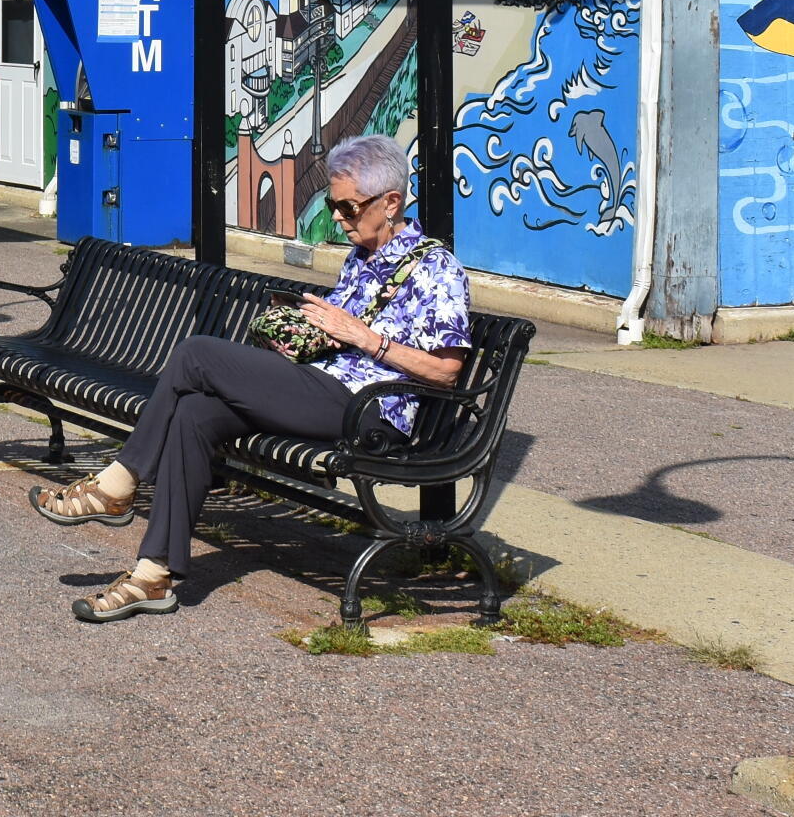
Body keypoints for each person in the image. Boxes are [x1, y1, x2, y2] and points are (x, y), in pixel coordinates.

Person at [31, 133, 470, 623]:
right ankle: (152, 575)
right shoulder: (361, 258)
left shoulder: (437, 269)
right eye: (334, 206)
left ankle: (117, 485)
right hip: (323, 387)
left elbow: (447, 372)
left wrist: (368, 339)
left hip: (368, 409)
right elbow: (343, 337)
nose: (339, 220)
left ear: (390, 202)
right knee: (194, 414)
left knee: (196, 354)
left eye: (348, 208)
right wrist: (311, 329)